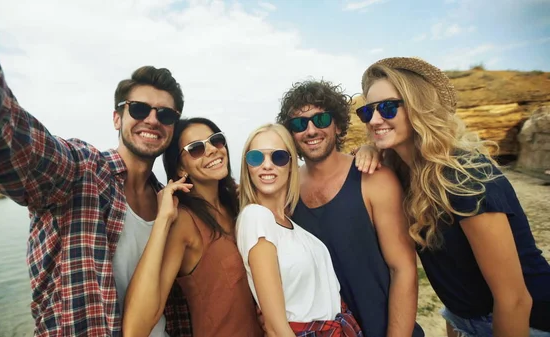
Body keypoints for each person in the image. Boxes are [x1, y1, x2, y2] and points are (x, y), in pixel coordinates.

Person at [0, 1, 191, 335]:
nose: (152, 119)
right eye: (139, 108)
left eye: (166, 114)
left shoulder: (171, 202)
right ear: (117, 117)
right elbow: (3, 137)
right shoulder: (81, 172)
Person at [357, 57, 550, 337]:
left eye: (387, 107)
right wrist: (368, 149)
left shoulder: (465, 177)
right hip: (464, 318)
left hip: (524, 322)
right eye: (367, 111)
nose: (374, 120)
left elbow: (514, 299)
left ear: (419, 107)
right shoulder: (404, 174)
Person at [276, 80, 423, 337]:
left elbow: (403, 269)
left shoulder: (374, 178)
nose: (310, 130)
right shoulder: (287, 193)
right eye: (299, 124)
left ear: (338, 125)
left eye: (320, 120)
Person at [123, 117, 263, 337]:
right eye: (196, 149)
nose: (211, 151)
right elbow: (135, 329)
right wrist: (163, 220)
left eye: (216, 141)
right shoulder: (184, 223)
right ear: (180, 167)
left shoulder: (238, 207)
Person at [236, 123, 363, 337]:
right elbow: (276, 327)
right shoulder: (256, 217)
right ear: (247, 166)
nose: (267, 165)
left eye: (278, 157)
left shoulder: (292, 225)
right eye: (256, 158)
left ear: (291, 164)